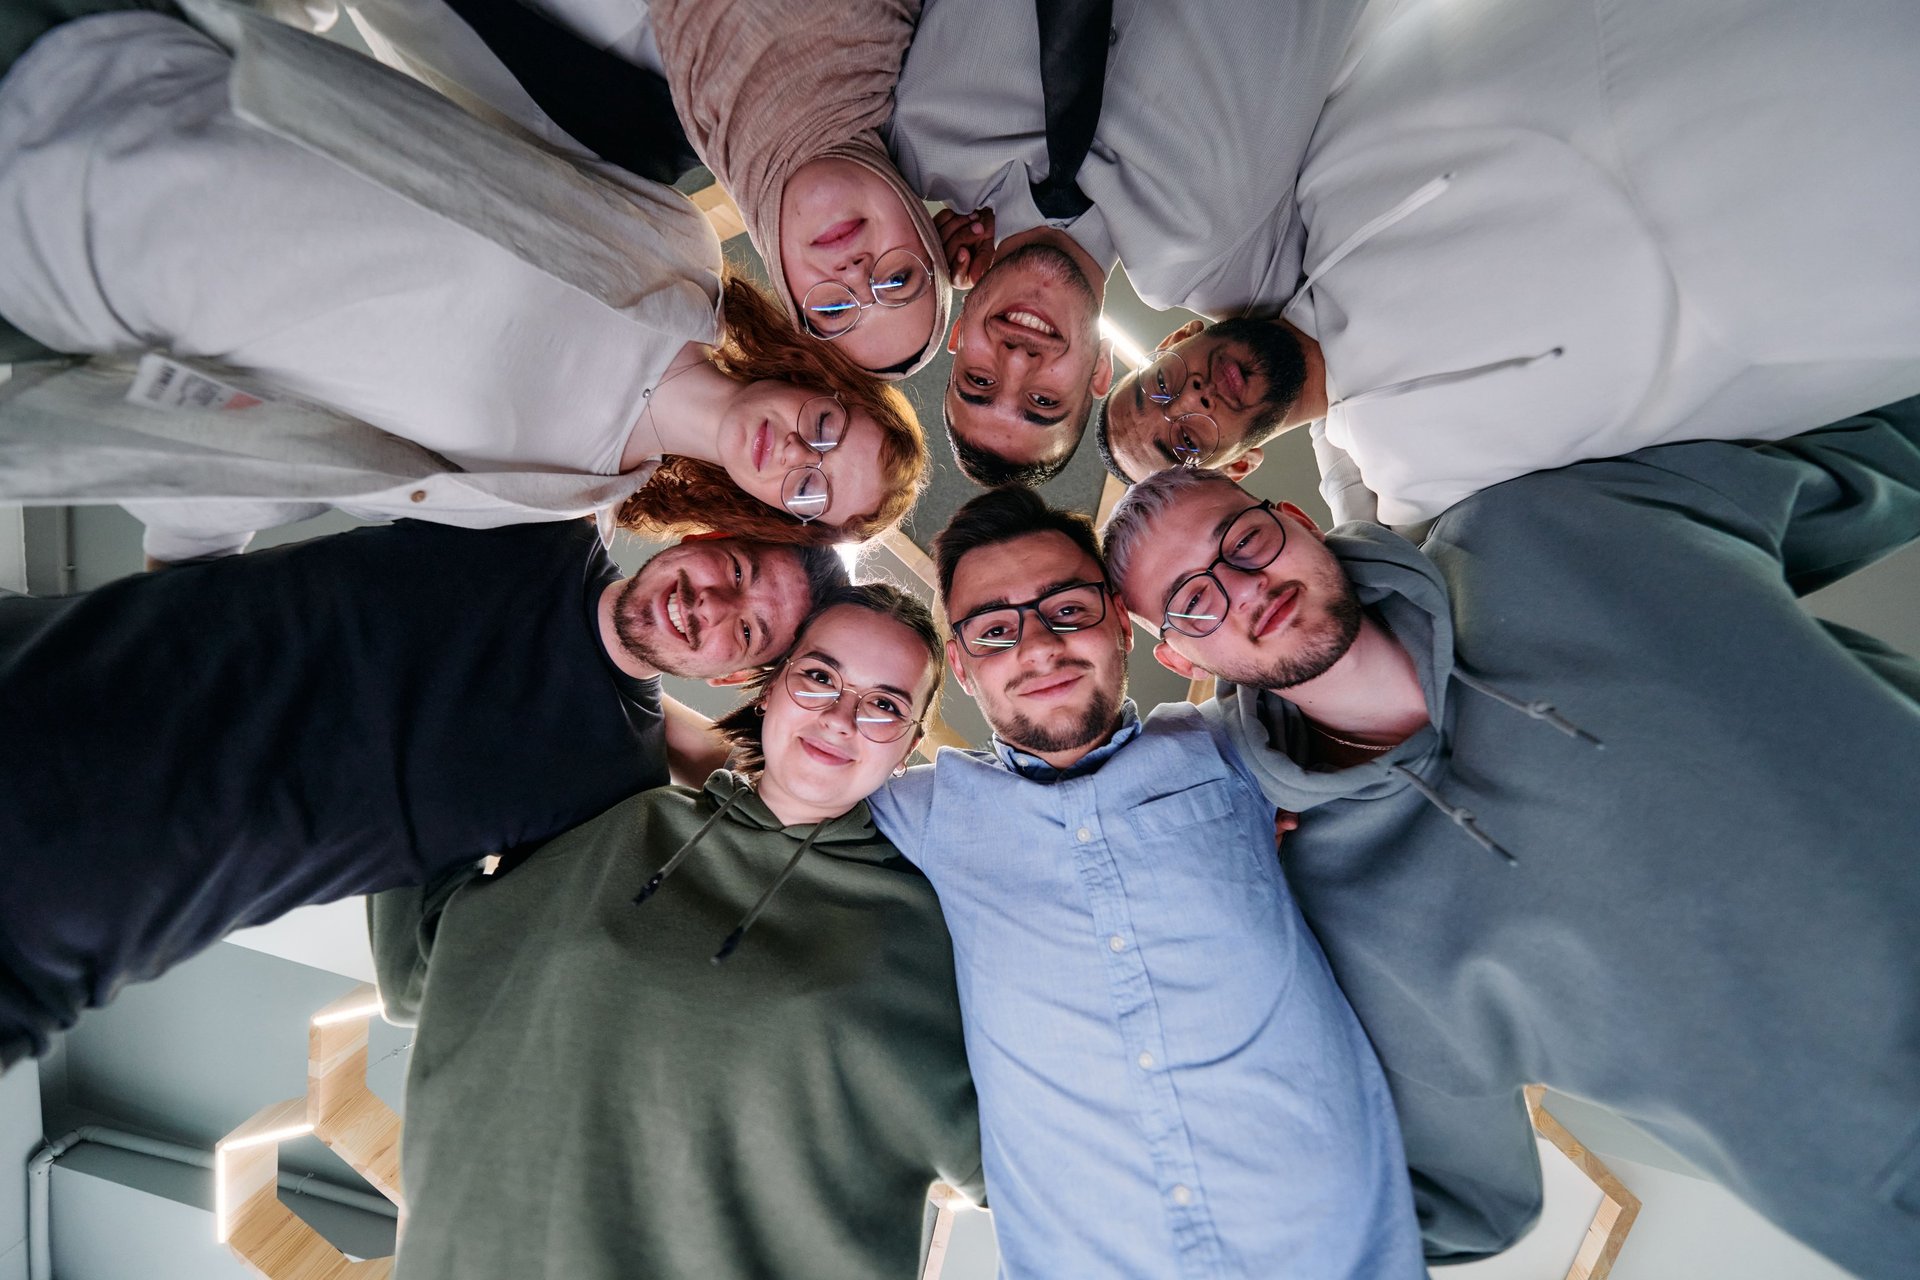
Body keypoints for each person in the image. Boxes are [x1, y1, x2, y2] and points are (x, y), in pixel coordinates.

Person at [1100, 404, 1920, 1278]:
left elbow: (1879, 470)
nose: (1243, 589)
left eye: (1244, 542)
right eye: (1191, 601)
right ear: (1183, 661)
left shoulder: (1541, 527)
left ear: (1295, 521)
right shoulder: (1337, 910)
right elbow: (1461, 1210)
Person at [0, 0, 926, 562]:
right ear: (817, 380)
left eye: (812, 491)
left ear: (778, 516)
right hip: (133, 73)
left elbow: (328, 465)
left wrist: (185, 549)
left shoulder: (556, 508)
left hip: (60, 276)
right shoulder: (674, 242)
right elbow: (477, 89)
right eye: (826, 431)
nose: (795, 457)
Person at [0, 518, 847, 1070]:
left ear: (737, 672)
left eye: (744, 628)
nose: (708, 603)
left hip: (48, 932)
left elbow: (416, 983)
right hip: (30, 665)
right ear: (703, 531)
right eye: (734, 568)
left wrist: (399, 815)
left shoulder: (612, 792)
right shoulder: (536, 514)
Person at [863, 486, 1423, 1278]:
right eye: (995, 629)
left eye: (1068, 609)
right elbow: (749, 775)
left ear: (1122, 622)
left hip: (1336, 1253)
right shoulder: (914, 815)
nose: (1038, 647)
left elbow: (1381, 669)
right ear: (960, 665)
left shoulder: (1242, 748)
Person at [1090, 0, 1920, 524]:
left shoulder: (1319, 176)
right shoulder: (1421, 485)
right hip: (1836, 242)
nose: (1187, 400)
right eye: (1184, 443)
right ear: (1238, 463)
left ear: (1178, 339)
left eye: (1157, 387)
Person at [371, 583, 982, 1280]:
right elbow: (420, 968)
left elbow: (1015, 1167)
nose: (841, 717)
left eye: (884, 705)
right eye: (819, 677)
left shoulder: (926, 923)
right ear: (771, 688)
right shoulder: (631, 822)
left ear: (908, 748)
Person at [887, 0, 1367, 483]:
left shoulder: (909, 130)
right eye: (1044, 400)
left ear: (957, 332)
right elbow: (1347, 361)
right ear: (1099, 371)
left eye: (980, 380)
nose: (1017, 360)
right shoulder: (1223, 264)